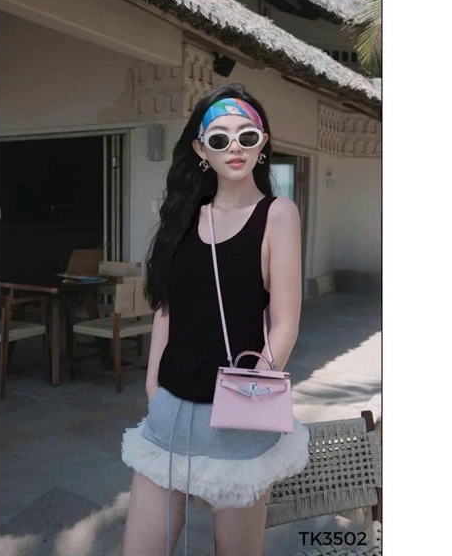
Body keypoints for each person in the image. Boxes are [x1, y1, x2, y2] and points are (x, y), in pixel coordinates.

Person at [121, 83, 310, 556]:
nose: (235, 148)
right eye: (220, 138)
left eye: (247, 136)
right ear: (201, 149)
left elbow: (285, 322)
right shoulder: (184, 217)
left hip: (237, 416)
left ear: (262, 143)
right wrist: (153, 387)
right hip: (169, 414)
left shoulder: (278, 214)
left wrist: (253, 395)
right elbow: (167, 307)